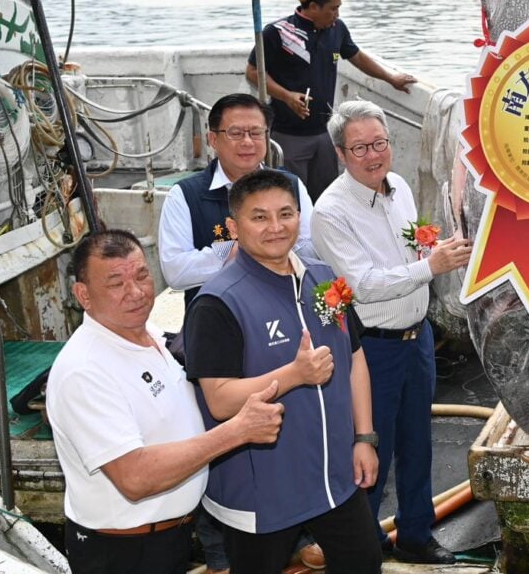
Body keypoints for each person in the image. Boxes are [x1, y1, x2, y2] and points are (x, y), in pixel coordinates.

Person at [46, 230, 284, 574]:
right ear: (83, 294)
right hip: (123, 553)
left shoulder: (151, 336)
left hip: (172, 537)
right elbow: (135, 477)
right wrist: (238, 431)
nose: (136, 292)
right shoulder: (83, 370)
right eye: (116, 284)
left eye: (142, 275)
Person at [182, 169, 382, 574]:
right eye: (259, 217)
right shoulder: (217, 302)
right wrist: (294, 374)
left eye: (285, 214)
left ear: (299, 217)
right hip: (264, 491)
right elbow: (219, 400)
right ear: (234, 228)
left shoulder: (323, 278)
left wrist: (364, 438)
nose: (275, 227)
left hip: (334, 477)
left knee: (365, 564)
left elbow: (355, 358)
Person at [310, 99, 473, 565]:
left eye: (379, 143)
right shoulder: (329, 212)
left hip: (417, 338)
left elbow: (410, 250)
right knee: (370, 448)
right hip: (373, 349)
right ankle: (362, 544)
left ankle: (415, 534)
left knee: (418, 441)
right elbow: (362, 285)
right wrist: (431, 266)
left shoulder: (398, 186)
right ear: (340, 153)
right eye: (359, 148)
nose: (373, 155)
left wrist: (434, 250)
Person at [246, 0, 417, 201]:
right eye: (333, 9)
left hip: (325, 133)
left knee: (327, 197)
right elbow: (253, 72)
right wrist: (287, 96)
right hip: (289, 134)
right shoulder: (277, 33)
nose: (337, 15)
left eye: (339, 8)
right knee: (290, 198)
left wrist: (391, 78)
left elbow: (356, 56)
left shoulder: (337, 29)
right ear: (313, 7)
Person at [159, 93, 315, 310]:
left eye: (256, 132)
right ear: (213, 140)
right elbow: (175, 271)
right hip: (218, 314)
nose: (247, 142)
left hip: (287, 308)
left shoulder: (291, 185)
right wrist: (235, 251)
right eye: (236, 133)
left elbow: (310, 250)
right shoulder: (185, 195)